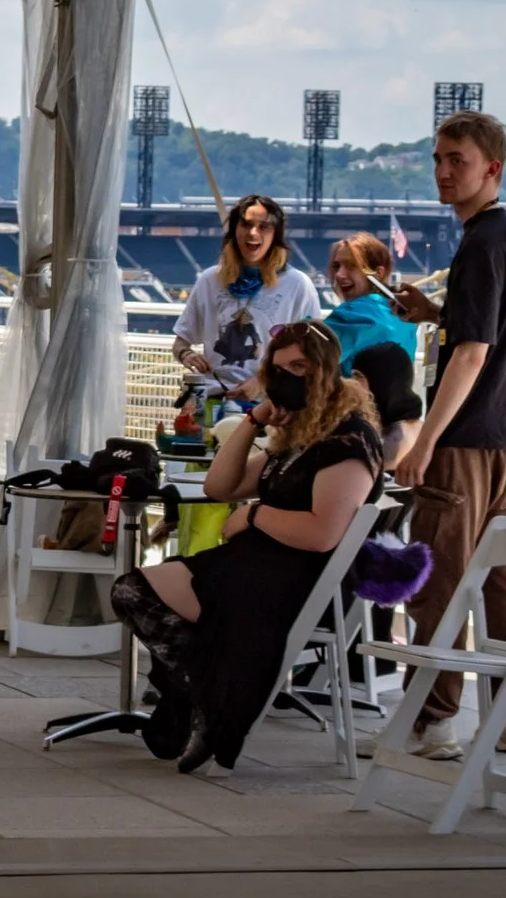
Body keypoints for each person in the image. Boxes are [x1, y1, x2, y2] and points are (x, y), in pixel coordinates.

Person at [112, 321, 384, 774]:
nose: (288, 378)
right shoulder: (303, 435)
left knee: (137, 592)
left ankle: (202, 700)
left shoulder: (348, 442)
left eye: (299, 366)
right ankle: (201, 694)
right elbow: (221, 486)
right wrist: (254, 420)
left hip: (294, 581)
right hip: (252, 567)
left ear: (327, 370)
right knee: (131, 591)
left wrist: (255, 515)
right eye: (278, 370)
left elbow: (323, 533)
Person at [385, 110, 506, 761]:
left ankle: (435, 720)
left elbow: (473, 352)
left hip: (464, 440)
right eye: (439, 160)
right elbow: (489, 330)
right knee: (497, 578)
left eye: (459, 160)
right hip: (504, 438)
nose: (445, 172)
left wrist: (424, 442)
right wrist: (434, 312)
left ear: (492, 169)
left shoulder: (481, 242)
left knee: (439, 575)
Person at [172, 194, 321, 401]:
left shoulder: (297, 285)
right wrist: (186, 355)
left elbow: (313, 353)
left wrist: (263, 381)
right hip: (212, 401)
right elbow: (180, 343)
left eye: (264, 227)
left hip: (268, 405)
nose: (253, 232)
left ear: (275, 235)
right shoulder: (209, 280)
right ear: (234, 231)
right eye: (246, 224)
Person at [322, 232, 417, 370]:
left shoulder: (352, 315)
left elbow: (307, 352)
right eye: (337, 266)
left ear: (378, 273)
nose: (339, 275)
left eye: (351, 266)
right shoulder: (406, 321)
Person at [346, 341, 424, 466]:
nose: (352, 383)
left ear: (380, 380)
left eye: (357, 376)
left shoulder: (395, 436)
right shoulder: (416, 425)